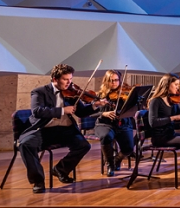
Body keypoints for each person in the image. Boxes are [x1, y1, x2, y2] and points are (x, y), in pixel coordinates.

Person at [19, 64, 105, 193]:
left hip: (65, 130)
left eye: (70, 79)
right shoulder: (39, 92)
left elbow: (81, 113)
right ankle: (38, 180)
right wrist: (62, 110)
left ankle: (60, 169)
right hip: (44, 130)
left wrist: (95, 105)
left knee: (84, 145)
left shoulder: (71, 93)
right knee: (25, 144)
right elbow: (37, 111)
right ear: (55, 79)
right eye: (65, 79)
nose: (69, 83)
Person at [93, 70, 134, 177]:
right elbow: (91, 113)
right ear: (106, 81)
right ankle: (110, 164)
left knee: (129, 148)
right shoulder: (99, 95)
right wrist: (103, 113)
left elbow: (133, 109)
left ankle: (117, 159)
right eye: (111, 81)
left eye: (116, 80)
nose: (114, 83)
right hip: (104, 124)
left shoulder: (125, 94)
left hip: (123, 123)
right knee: (106, 136)